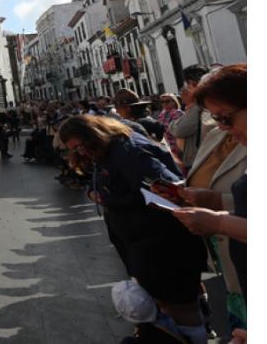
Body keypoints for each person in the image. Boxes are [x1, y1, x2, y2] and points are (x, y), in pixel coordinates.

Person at [59, 115, 208, 343]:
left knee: (180, 306)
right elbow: (101, 177)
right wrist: (93, 191)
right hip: (143, 242)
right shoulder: (106, 150)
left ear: (94, 134)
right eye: (74, 149)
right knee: (167, 303)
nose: (80, 152)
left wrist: (110, 199)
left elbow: (166, 189)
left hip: (163, 243)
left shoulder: (129, 152)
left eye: (81, 145)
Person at [176, 64, 247, 333]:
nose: (222, 127)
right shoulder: (220, 133)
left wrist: (218, 219)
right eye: (216, 118)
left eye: (226, 117)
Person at [169, 65, 214, 167]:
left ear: (191, 83)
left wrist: (172, 125)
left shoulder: (200, 107)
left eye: (187, 85)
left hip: (202, 160)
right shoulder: (199, 105)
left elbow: (179, 130)